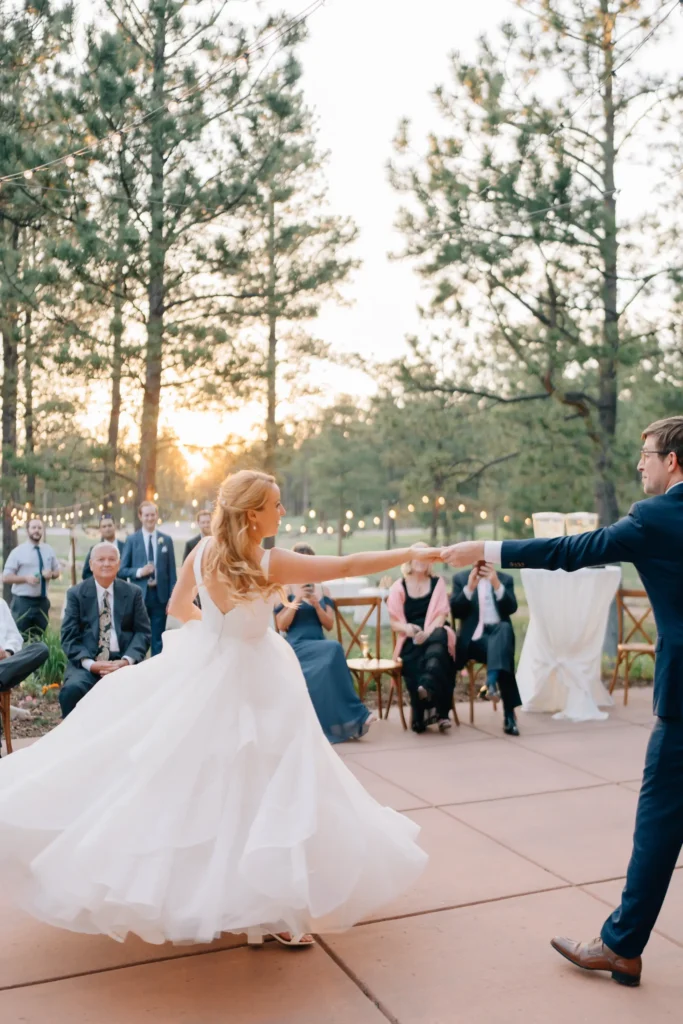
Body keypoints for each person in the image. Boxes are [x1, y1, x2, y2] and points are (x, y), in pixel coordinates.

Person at [0, 470, 434, 949]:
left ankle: (258, 907)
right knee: (270, 783)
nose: (282, 511)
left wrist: (217, 630)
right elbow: (348, 564)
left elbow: (177, 608)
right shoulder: (267, 560)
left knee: (215, 784)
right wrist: (409, 554)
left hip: (205, 665)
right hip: (259, 678)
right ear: (254, 515)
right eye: (276, 504)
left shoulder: (201, 551)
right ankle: (271, 911)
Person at [441, 415, 683, 989]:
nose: (640, 463)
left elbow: (573, 549)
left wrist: (488, 548)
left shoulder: (656, 518)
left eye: (647, 453)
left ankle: (621, 947)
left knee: (659, 822)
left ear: (674, 460)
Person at [274, 543, 373, 743]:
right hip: (297, 645)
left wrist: (317, 604)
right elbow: (281, 625)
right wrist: (298, 599)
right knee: (334, 650)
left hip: (320, 644)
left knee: (332, 652)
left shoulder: (323, 589)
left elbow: (328, 624)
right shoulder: (284, 590)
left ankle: (354, 717)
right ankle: (356, 715)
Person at [60, 541, 151, 718]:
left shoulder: (133, 593)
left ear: (118, 564)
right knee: (72, 690)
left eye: (111, 559)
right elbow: (69, 637)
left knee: (144, 689)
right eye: (101, 559)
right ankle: (74, 741)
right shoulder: (76, 594)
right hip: (87, 663)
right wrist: (92, 664)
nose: (106, 564)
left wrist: (126, 661)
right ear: (91, 564)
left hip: (122, 662)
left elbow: (143, 632)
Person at [387, 543, 456, 733]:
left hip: (434, 633)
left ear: (430, 562)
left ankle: (433, 699)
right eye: (418, 556)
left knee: (441, 642)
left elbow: (441, 616)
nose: (421, 562)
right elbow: (394, 623)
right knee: (420, 657)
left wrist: (428, 633)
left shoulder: (437, 583)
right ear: (410, 560)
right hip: (411, 639)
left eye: (426, 558)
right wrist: (408, 629)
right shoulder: (399, 586)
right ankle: (430, 713)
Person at [450, 561, 522, 736]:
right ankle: (509, 716)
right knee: (503, 653)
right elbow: (456, 611)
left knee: (504, 630)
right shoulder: (461, 578)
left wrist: (496, 584)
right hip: (475, 641)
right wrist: (469, 588)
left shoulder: (504, 579)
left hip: (499, 635)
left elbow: (511, 608)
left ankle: (490, 684)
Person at [119, 500, 177, 656]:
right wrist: (139, 572)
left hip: (160, 596)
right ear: (140, 516)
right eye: (146, 515)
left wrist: (173, 597)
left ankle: (156, 671)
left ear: (157, 515)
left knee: (158, 638)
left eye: (153, 514)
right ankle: (138, 668)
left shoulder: (166, 540)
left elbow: (172, 573)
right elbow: (122, 570)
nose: (150, 518)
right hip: (140, 596)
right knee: (140, 636)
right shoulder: (132, 540)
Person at [0, 598, 49, 755]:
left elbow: (14, 638)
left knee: (40, 649)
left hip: (4, 666)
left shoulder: (1, 604)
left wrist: (7, 652)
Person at [2, 518, 61, 639]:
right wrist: (25, 579)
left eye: (39, 528)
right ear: (27, 530)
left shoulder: (48, 550)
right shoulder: (18, 552)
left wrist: (52, 574)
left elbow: (57, 571)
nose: (37, 531)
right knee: (19, 637)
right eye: (33, 528)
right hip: (23, 602)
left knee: (40, 638)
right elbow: (6, 577)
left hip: (42, 602)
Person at [82, 513, 125, 580]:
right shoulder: (95, 549)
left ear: (115, 526)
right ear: (100, 529)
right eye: (104, 526)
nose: (107, 529)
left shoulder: (125, 547)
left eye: (109, 525)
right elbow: (86, 574)